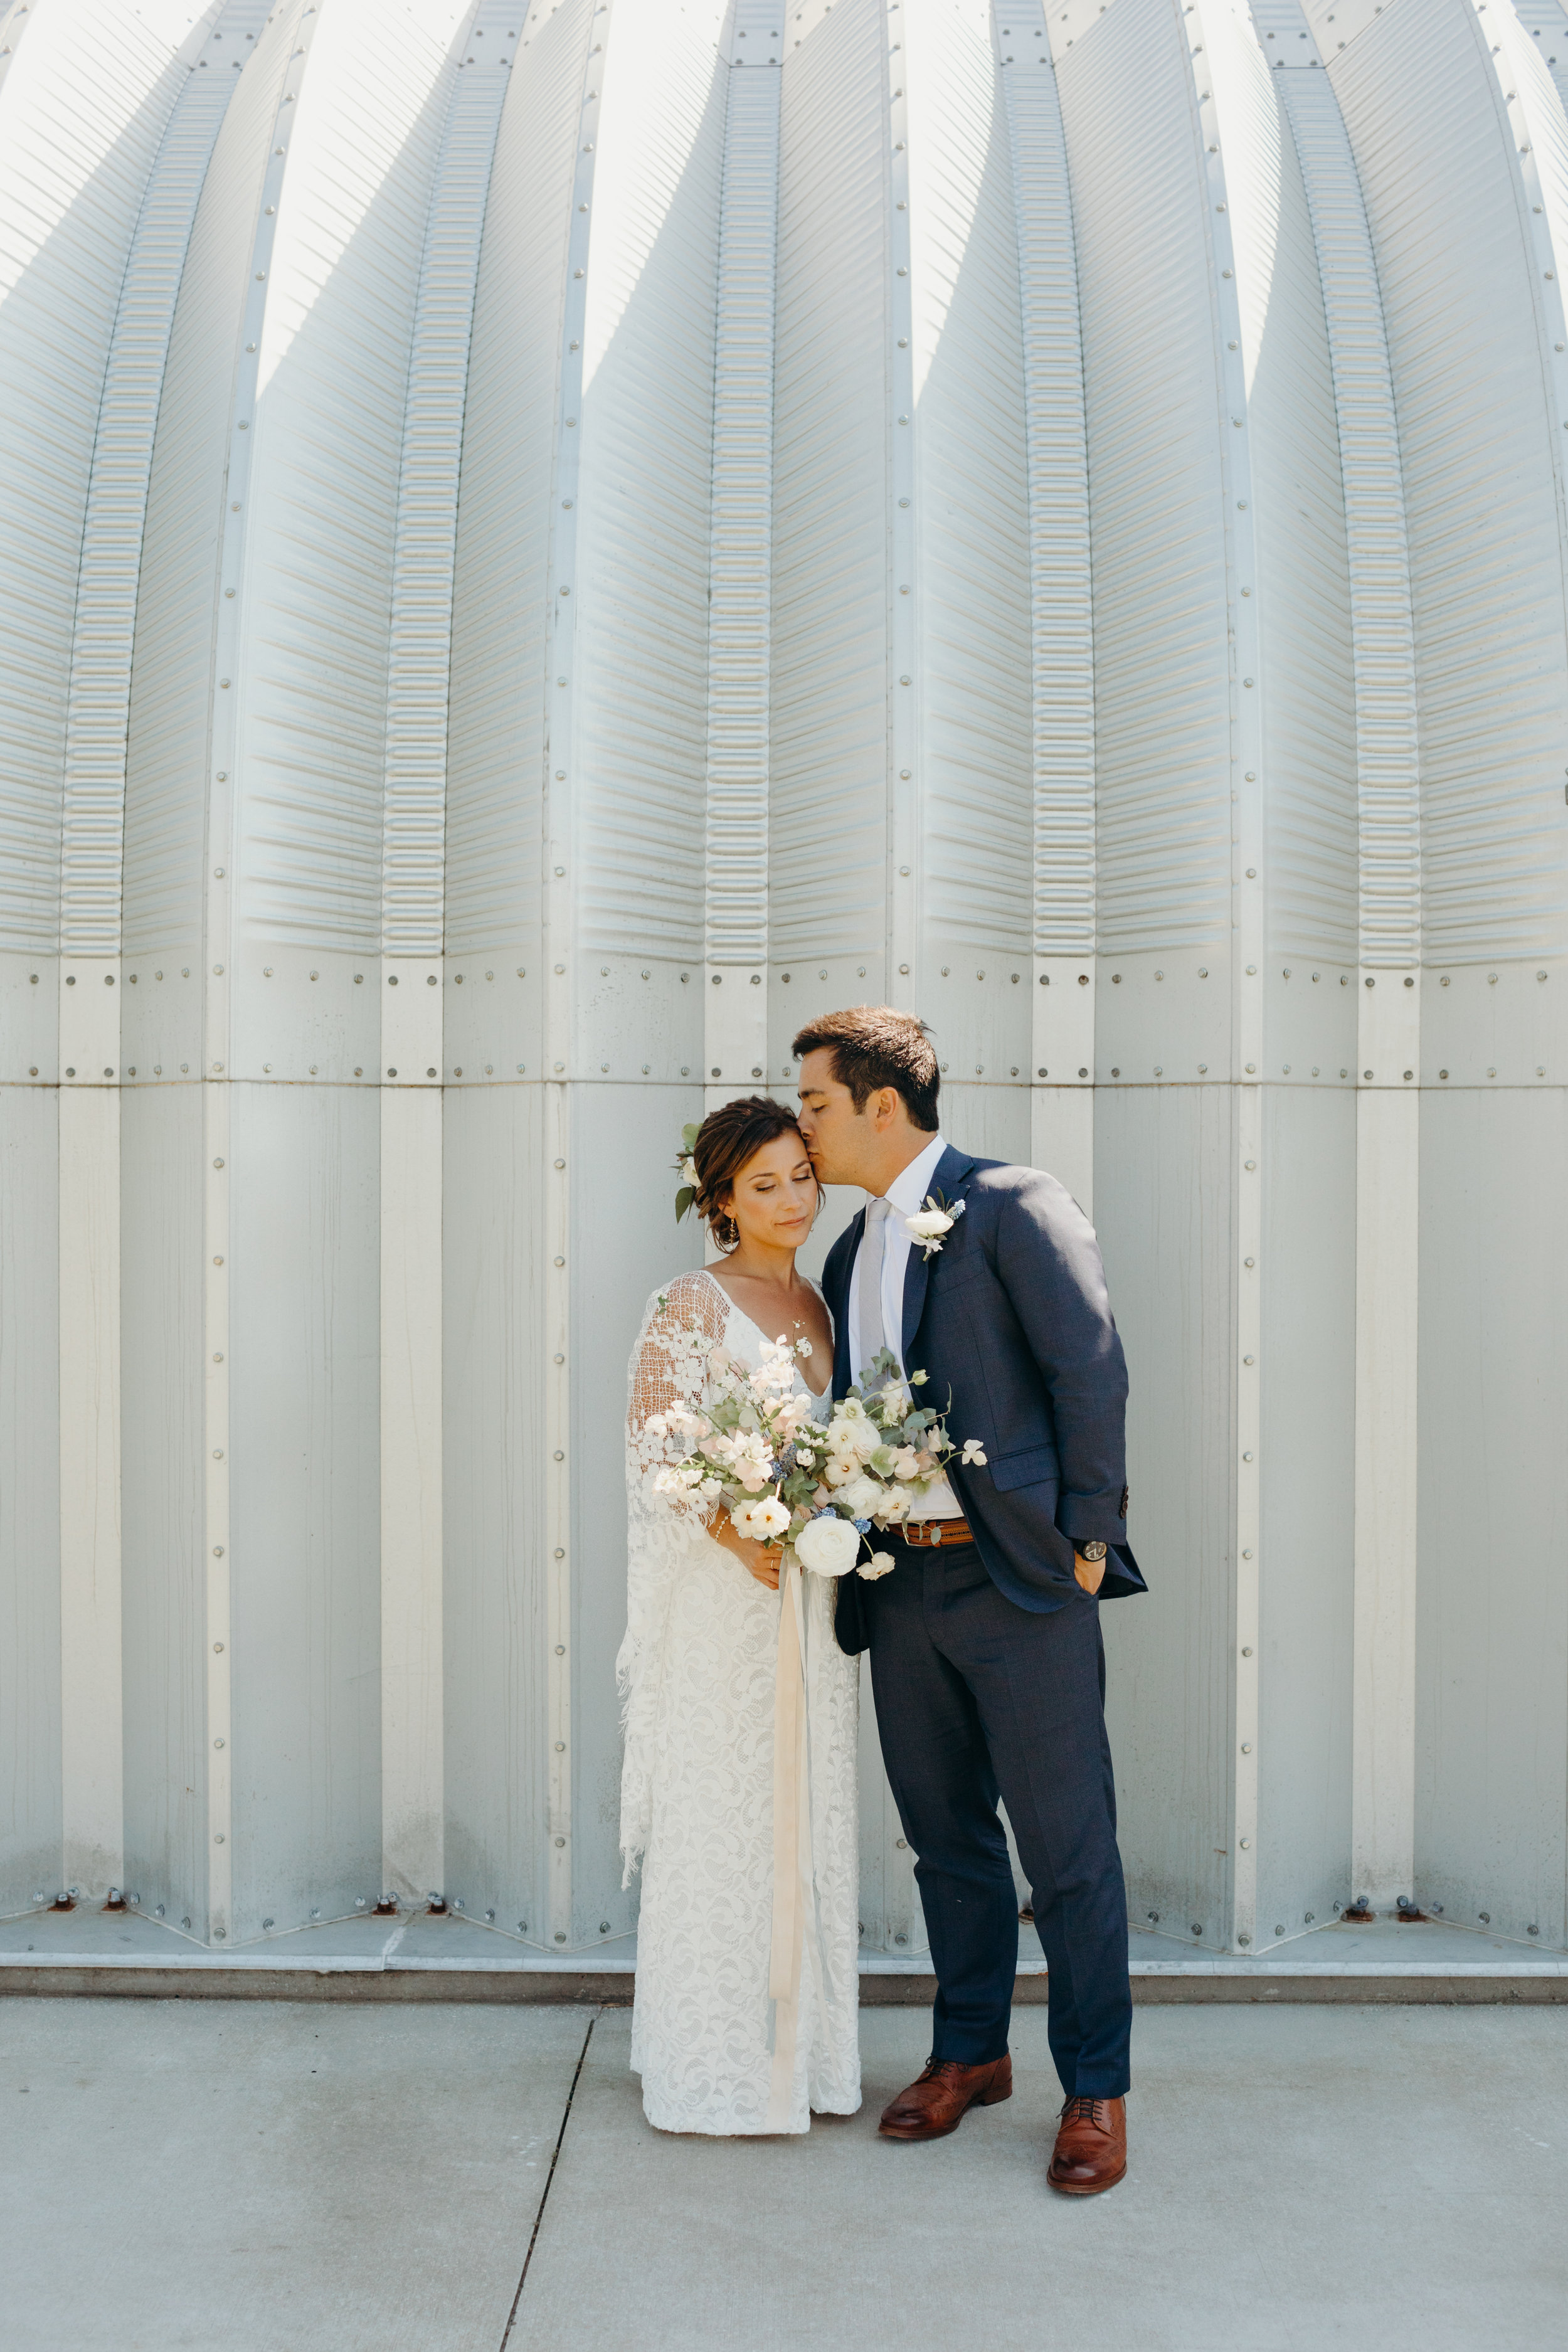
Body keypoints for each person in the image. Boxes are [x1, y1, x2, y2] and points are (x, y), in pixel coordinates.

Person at [794, 1006, 1145, 2196]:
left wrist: (1088, 1543)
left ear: (882, 1104)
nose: (805, 1124)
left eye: (817, 1103)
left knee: (1069, 1846)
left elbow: (1089, 1367)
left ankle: (1095, 2085)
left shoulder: (1011, 1202)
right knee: (944, 1835)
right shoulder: (849, 1255)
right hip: (900, 1584)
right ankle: (970, 2051)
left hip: (1020, 1575)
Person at [617, 1096, 861, 2135]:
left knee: (807, 1807)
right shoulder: (686, 1306)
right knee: (725, 1811)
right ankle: (712, 2064)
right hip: (729, 1603)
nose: (792, 1198)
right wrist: (737, 1528)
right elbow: (656, 1449)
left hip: (812, 1599)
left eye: (802, 1174)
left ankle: (803, 2062)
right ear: (721, 1199)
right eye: (764, 1184)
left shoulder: (829, 1306)